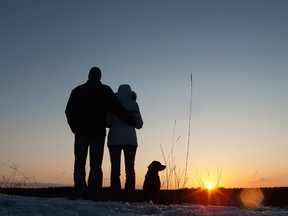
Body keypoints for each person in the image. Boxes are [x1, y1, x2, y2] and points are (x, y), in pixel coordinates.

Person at [65, 67, 135, 200]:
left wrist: (74, 127)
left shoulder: (77, 90)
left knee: (79, 163)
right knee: (95, 164)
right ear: (100, 76)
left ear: (89, 75)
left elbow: (68, 111)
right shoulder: (105, 90)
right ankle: (94, 193)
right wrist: (130, 119)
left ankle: (78, 190)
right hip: (97, 132)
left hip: (81, 132)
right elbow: (117, 108)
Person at [106, 84, 143, 202]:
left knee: (115, 170)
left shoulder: (111, 103)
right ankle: (129, 197)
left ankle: (115, 196)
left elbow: (107, 123)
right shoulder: (133, 104)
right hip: (130, 141)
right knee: (130, 169)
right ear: (129, 92)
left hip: (114, 140)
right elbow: (139, 125)